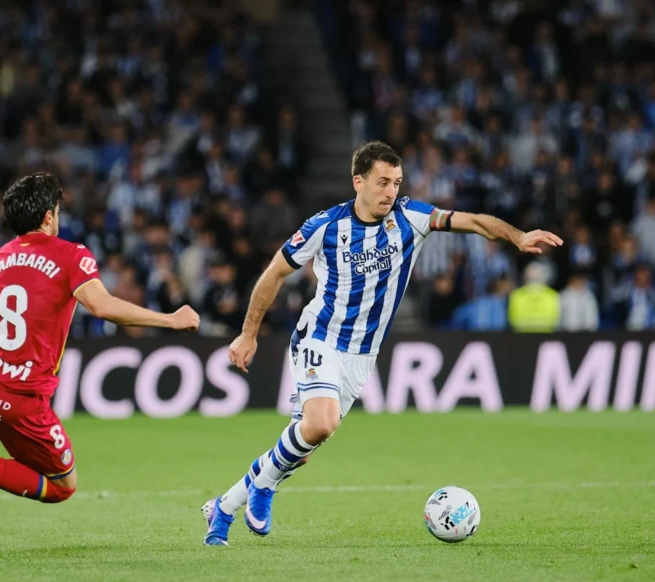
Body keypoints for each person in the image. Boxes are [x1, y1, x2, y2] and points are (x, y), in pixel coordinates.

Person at [201, 141, 562, 545]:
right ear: (359, 181)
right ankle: (264, 489)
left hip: (362, 356)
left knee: (301, 447)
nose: (391, 191)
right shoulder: (325, 226)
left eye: (397, 182)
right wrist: (249, 333)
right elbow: (273, 274)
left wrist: (517, 237)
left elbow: (474, 222)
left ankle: (225, 506)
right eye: (383, 182)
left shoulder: (413, 217)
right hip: (320, 336)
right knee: (320, 423)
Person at [0, 173, 200, 566]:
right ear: (49, 216)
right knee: (62, 485)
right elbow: (102, 307)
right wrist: (170, 319)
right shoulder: (71, 254)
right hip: (21, 397)